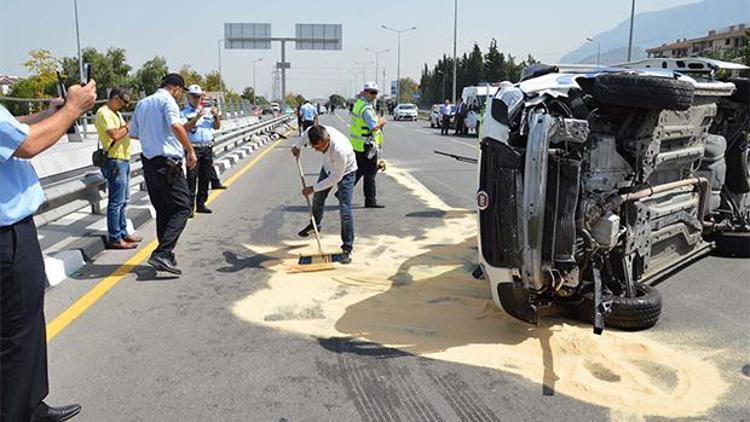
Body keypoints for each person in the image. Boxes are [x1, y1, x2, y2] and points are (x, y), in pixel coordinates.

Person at [1, 80, 96, 422]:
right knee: (16, 332)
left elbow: (12, 129)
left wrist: (49, 113)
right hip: (6, 236)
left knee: (25, 324)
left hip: (12, 233)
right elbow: (26, 145)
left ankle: (29, 403)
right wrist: (73, 110)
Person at [128, 73, 197, 275]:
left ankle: (166, 253)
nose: (179, 96)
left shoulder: (142, 103)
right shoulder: (167, 101)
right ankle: (163, 252)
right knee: (183, 207)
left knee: (164, 210)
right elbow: (176, 125)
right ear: (176, 88)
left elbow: (133, 133)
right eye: (180, 92)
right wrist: (189, 150)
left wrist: (153, 137)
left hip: (149, 163)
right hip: (168, 163)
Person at [292, 125, 357, 264]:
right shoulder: (315, 132)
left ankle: (347, 248)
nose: (316, 150)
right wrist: (297, 146)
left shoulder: (340, 151)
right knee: (318, 198)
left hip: (345, 173)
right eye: (314, 147)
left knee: (345, 210)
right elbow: (306, 133)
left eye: (318, 147)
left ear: (325, 140)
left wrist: (313, 188)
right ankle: (315, 225)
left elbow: (335, 178)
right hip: (328, 168)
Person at [94, 88, 143, 250]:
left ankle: (122, 232)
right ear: (115, 98)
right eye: (124, 102)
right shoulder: (104, 113)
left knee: (124, 200)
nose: (126, 105)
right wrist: (129, 126)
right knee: (116, 202)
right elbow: (115, 135)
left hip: (123, 159)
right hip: (114, 161)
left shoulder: (116, 113)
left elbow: (125, 133)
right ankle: (115, 237)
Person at [181, 85, 220, 216]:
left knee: (205, 178)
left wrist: (216, 116)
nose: (197, 99)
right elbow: (184, 128)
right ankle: (189, 207)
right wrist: (196, 118)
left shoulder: (206, 111)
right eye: (194, 96)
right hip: (193, 148)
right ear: (188, 97)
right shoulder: (184, 113)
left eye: (199, 97)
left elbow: (216, 127)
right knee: (191, 178)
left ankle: (201, 204)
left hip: (207, 147)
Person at [350, 82, 387, 208]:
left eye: (376, 93)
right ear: (364, 92)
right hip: (367, 146)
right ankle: (370, 200)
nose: (374, 95)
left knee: (359, 170)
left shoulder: (359, 104)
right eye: (371, 92)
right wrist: (382, 121)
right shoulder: (366, 108)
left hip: (358, 144)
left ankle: (342, 192)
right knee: (370, 174)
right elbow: (374, 127)